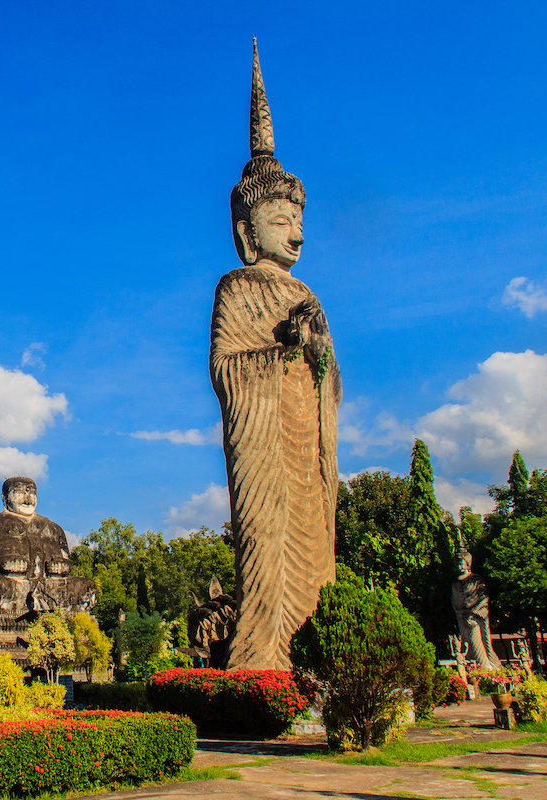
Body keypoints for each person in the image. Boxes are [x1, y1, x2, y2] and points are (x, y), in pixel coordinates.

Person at [209, 40, 341, 670]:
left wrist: (314, 348)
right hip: (262, 441)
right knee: (267, 543)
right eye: (282, 217)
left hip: (302, 435)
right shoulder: (236, 288)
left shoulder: (308, 294)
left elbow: (330, 381)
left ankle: (322, 651)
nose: (297, 230)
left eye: (299, 216)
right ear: (247, 227)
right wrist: (277, 348)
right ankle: (263, 658)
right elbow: (226, 370)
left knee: (316, 542)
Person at [0, 477, 96, 617]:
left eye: (32, 493)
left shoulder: (54, 529)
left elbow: (67, 561)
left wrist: (62, 567)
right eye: (20, 492)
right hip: (12, 585)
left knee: (87, 587)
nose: (28, 498)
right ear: (4, 497)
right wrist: (1, 563)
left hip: (52, 587)